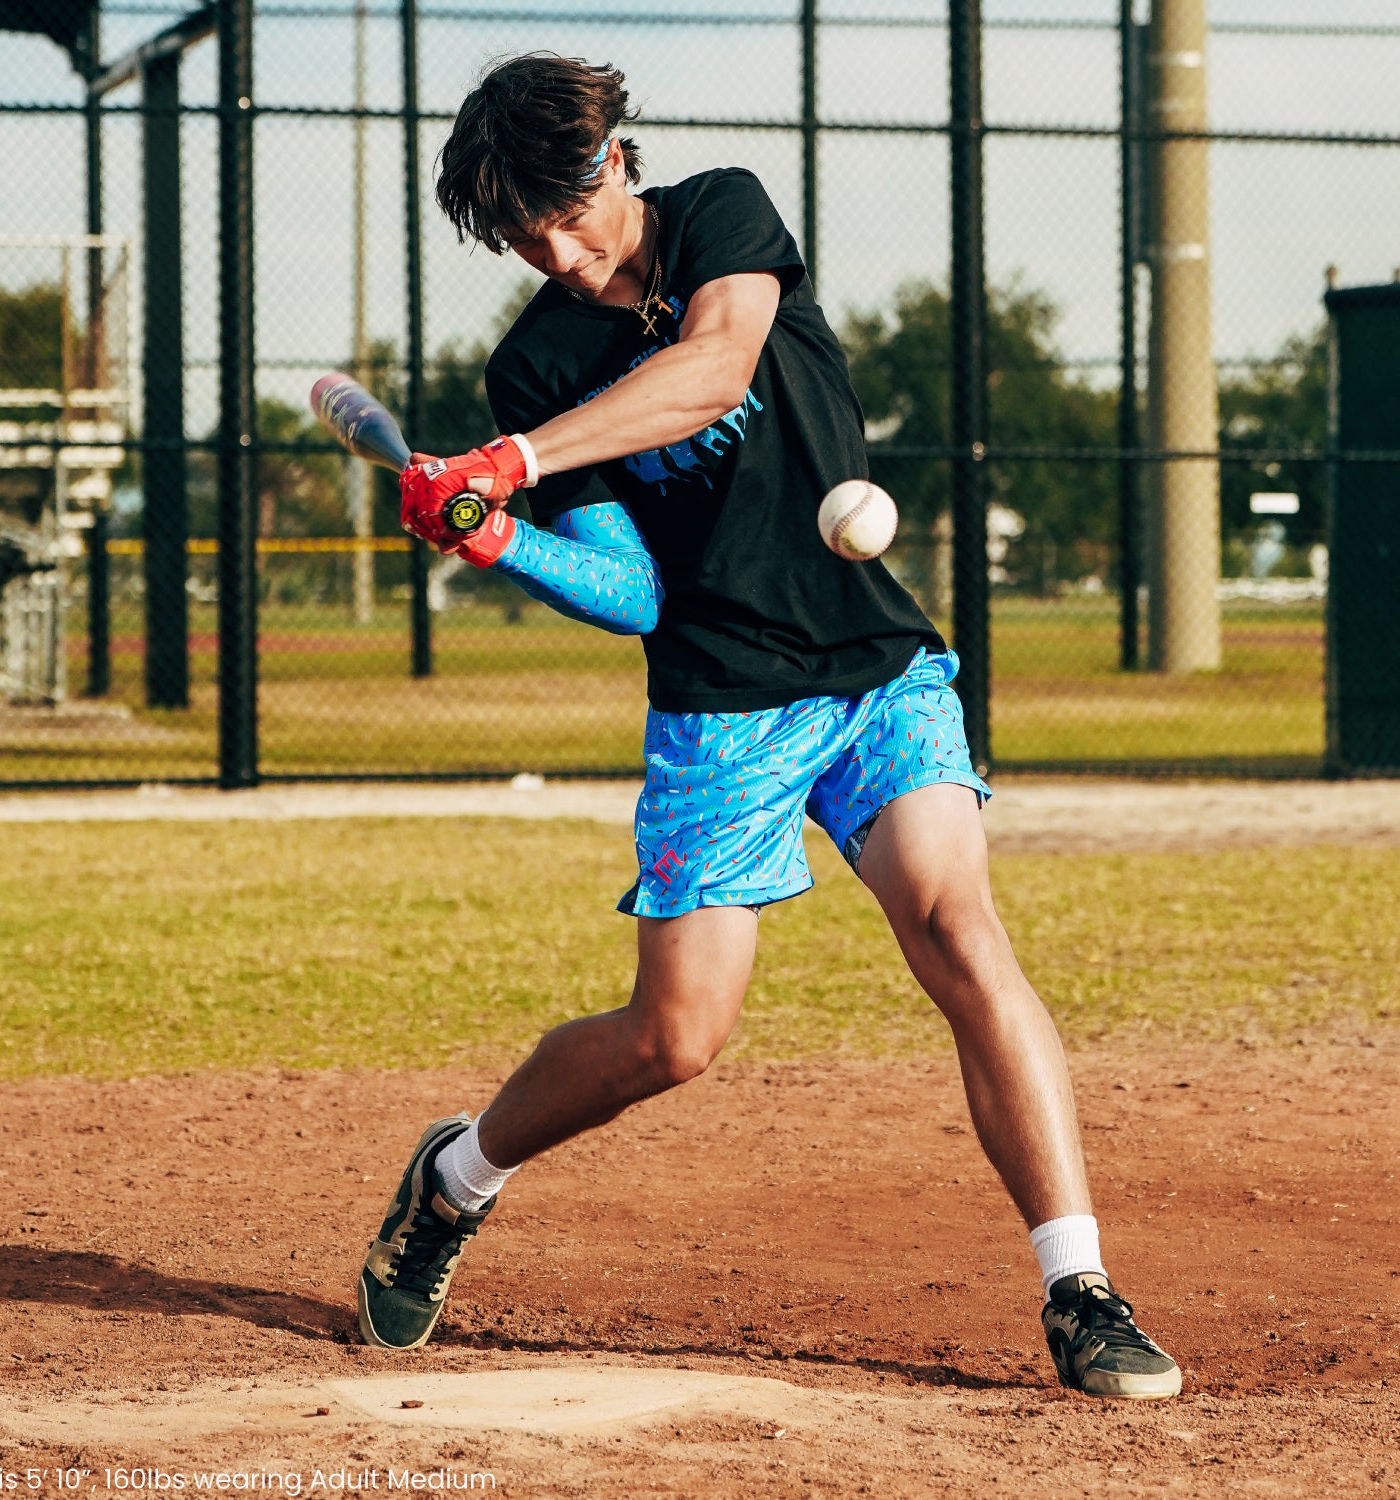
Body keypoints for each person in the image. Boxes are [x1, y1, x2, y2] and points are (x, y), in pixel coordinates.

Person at [358, 53, 1181, 1401]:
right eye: (522, 235)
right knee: (672, 1040)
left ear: (617, 156)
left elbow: (713, 364)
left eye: (569, 210)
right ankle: (453, 1181)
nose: (557, 252)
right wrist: (500, 538)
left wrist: (514, 463)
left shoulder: (722, 216)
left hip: (874, 658)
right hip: (723, 696)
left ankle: (1079, 1287)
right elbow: (633, 591)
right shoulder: (538, 362)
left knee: (959, 929)